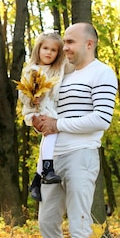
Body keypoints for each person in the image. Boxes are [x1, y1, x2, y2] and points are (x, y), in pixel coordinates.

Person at [28, 22, 118, 238]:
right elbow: (47, 113)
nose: (64, 48)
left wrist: (58, 124)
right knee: (47, 223)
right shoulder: (60, 75)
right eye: (63, 43)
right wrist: (38, 120)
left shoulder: (102, 73)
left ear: (89, 44)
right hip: (51, 158)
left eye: (69, 43)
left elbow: (101, 119)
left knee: (79, 227)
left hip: (81, 156)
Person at [18, 32, 74, 201]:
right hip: (37, 110)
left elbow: (72, 64)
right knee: (51, 134)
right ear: (38, 49)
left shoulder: (58, 69)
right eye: (45, 48)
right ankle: (47, 169)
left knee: (50, 138)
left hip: (51, 110)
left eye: (53, 50)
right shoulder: (31, 70)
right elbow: (22, 95)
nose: (48, 53)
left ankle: (36, 179)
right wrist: (32, 99)